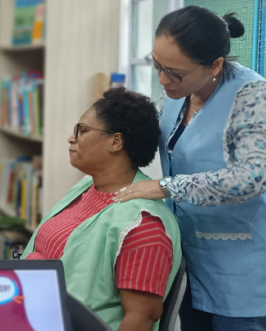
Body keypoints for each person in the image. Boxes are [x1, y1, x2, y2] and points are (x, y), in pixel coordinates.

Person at [113, 7, 266, 331]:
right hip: (189, 256)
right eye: (158, 67)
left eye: (175, 73)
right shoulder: (180, 92)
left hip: (239, 268)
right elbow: (157, 136)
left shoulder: (254, 97)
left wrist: (166, 187)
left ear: (215, 65)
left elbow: (253, 177)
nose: (164, 80)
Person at [23, 88, 182, 331]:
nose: (71, 138)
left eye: (82, 131)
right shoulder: (88, 187)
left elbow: (141, 318)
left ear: (116, 142)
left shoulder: (144, 226)